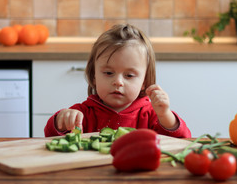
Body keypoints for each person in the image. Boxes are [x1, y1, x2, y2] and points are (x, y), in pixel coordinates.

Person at [44, 24, 191, 138]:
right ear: (94, 76)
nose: (118, 82)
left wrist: (165, 115)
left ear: (144, 81)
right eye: (108, 73)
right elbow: (50, 135)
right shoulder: (84, 113)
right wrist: (61, 121)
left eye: (129, 76)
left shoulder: (152, 115)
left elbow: (183, 139)